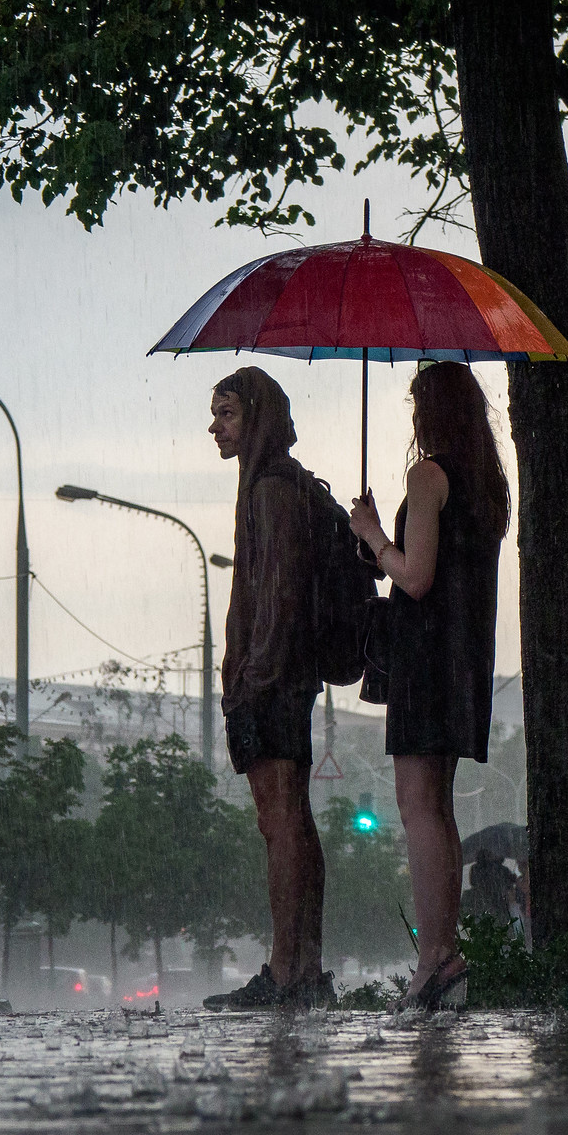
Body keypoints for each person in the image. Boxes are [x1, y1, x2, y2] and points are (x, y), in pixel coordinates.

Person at [348, 362, 508, 1010]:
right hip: (464, 658)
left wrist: (371, 533)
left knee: (417, 808)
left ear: (433, 411)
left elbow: (414, 577)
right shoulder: (486, 482)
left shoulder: (428, 474)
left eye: (419, 404)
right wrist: (384, 539)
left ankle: (434, 956)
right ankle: (443, 953)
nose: (414, 417)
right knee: (438, 807)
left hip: (422, 659)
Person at [203, 367, 335, 1010]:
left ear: (255, 417)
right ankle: (302, 969)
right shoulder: (281, 485)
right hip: (284, 675)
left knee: (279, 822)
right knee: (293, 821)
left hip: (272, 678)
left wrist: (251, 678)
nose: (214, 427)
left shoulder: (272, 490)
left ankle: (289, 973)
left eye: (226, 413)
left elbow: (278, 594)